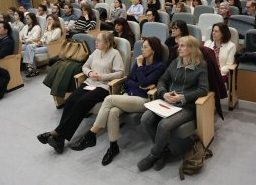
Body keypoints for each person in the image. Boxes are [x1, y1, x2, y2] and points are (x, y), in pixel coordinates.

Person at [71, 37, 166, 165]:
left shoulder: (159, 66)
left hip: (144, 100)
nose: (142, 49)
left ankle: (91, 134)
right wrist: (140, 84)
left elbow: (143, 81)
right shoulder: (140, 61)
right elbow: (128, 80)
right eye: (142, 46)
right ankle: (113, 147)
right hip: (128, 95)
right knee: (113, 112)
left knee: (109, 99)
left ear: (153, 50)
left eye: (145, 47)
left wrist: (139, 71)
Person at [36, 32, 124, 154]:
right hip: (90, 82)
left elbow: (120, 73)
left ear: (107, 43)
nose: (96, 42)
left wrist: (102, 76)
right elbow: (85, 66)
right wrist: (89, 73)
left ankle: (56, 134)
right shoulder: (96, 52)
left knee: (82, 102)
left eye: (99, 40)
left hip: (104, 86)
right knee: (71, 100)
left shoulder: (115, 54)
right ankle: (60, 138)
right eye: (96, 40)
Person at [137, 36, 208, 171]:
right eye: (179, 45)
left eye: (182, 46)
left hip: (187, 106)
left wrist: (183, 97)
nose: (178, 48)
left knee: (164, 125)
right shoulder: (175, 62)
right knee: (145, 118)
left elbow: (203, 90)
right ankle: (163, 151)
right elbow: (162, 80)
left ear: (192, 49)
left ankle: (154, 154)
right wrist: (163, 93)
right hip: (168, 102)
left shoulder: (201, 66)